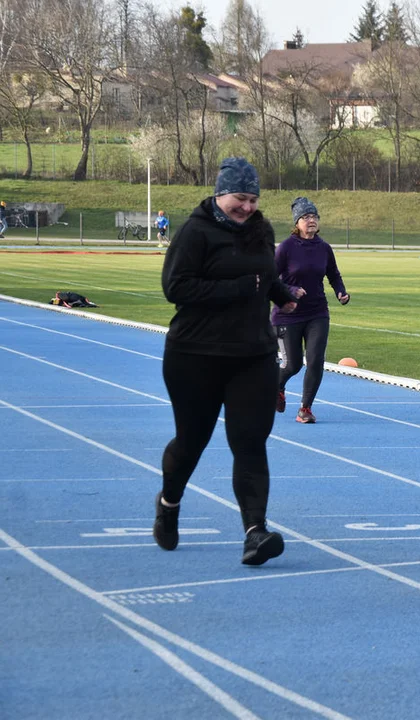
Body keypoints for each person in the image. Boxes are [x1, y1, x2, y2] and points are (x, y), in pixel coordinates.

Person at [154, 157, 303, 566]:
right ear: (221, 194)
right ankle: (169, 504)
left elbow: (264, 275)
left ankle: (255, 532)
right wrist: (240, 287)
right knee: (192, 441)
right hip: (194, 355)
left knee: (250, 441)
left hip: (253, 355)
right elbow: (175, 287)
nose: (248, 207)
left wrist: (280, 293)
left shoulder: (261, 230)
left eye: (254, 199)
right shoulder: (195, 232)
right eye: (241, 198)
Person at [273, 196, 350, 424]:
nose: (311, 220)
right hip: (287, 315)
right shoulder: (286, 248)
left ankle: (305, 409)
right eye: (305, 217)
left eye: (314, 216)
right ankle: (277, 386)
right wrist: (291, 290)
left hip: (317, 313)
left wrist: (340, 291)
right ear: (296, 223)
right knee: (293, 365)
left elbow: (333, 274)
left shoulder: (324, 248)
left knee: (315, 360)